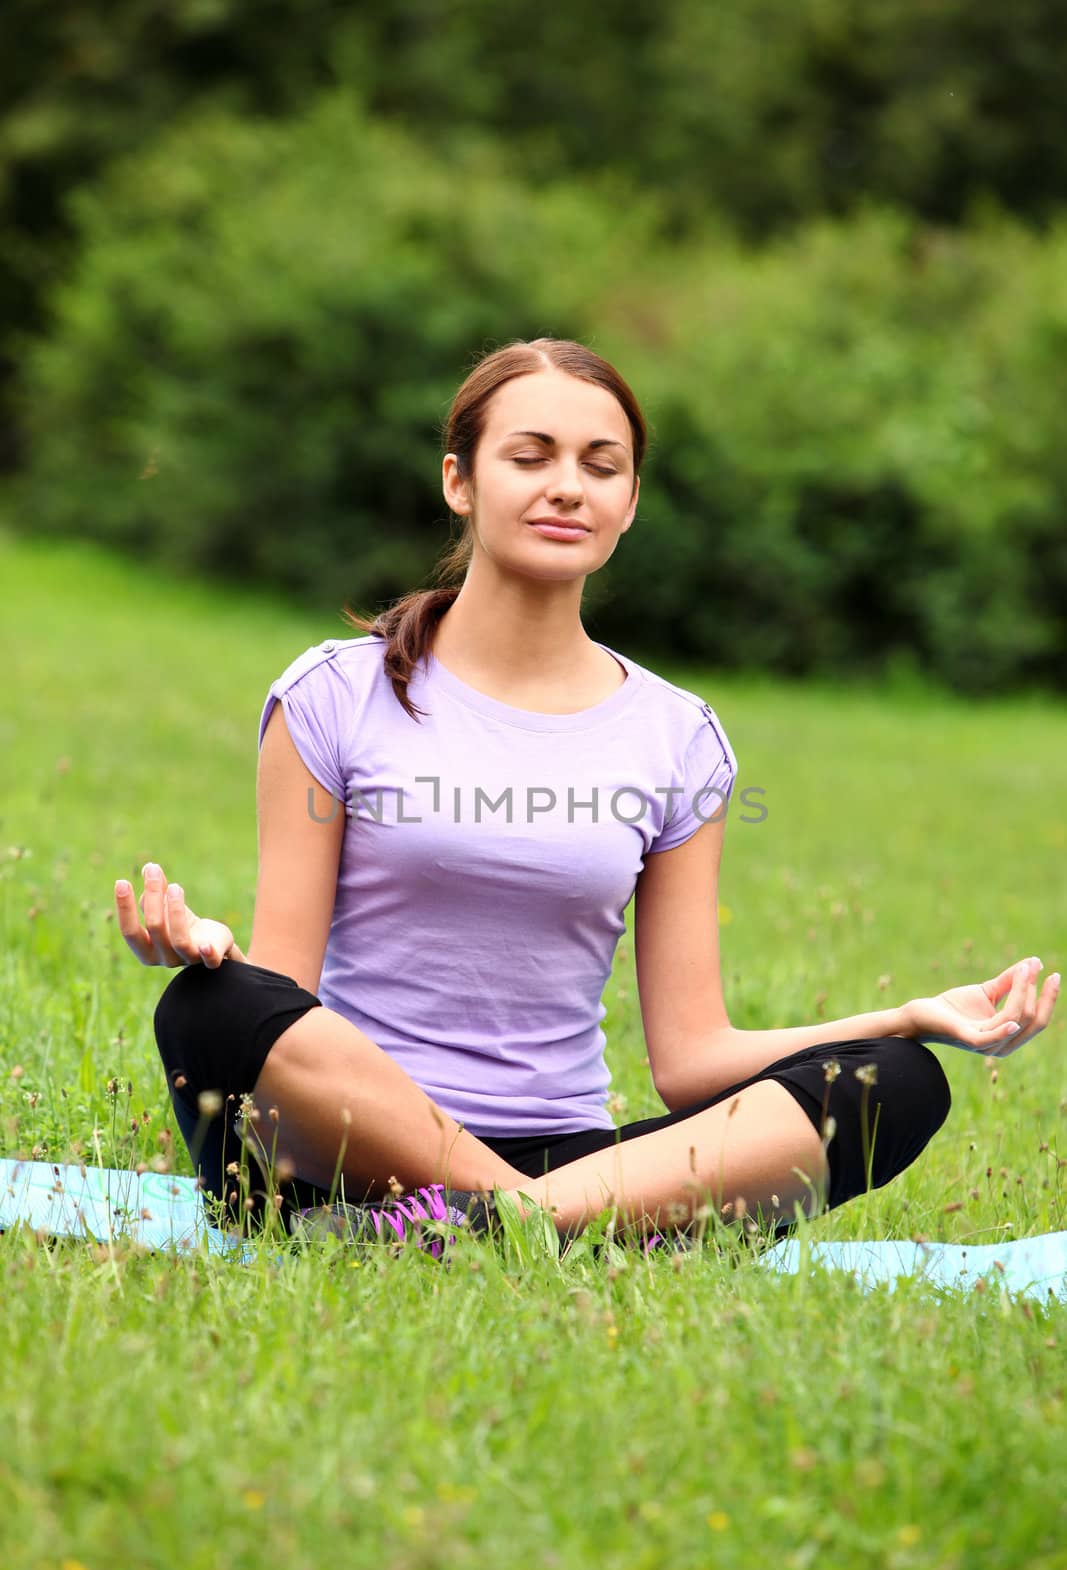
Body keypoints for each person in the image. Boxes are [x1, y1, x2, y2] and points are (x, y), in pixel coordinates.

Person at [115, 337, 1058, 1253]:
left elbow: (691, 1058)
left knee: (895, 1082)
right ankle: (550, 1226)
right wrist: (214, 956)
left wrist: (904, 1018)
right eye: (530, 457)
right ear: (460, 481)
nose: (568, 485)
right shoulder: (334, 696)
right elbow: (287, 1002)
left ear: (630, 501)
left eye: (600, 466)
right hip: (346, 1152)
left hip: (572, 1158)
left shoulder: (676, 737)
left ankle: (505, 1225)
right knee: (211, 1007)